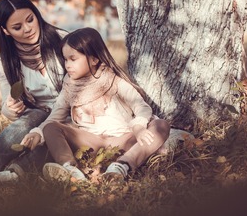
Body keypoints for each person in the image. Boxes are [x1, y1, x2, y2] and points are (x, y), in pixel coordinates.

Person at [21, 27, 170, 182]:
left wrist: (138, 128)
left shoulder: (114, 81)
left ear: (94, 59)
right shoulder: (69, 87)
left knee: (161, 125)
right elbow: (54, 117)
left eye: (73, 59)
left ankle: (123, 165)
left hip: (122, 141)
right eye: (65, 59)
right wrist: (37, 132)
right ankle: (70, 169)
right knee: (50, 127)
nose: (67, 65)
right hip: (90, 144)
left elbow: (141, 106)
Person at [0, 0, 67, 190]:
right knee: (28, 120)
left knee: (52, 137)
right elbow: (6, 108)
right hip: (38, 113)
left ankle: (10, 175)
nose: (27, 29)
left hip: (71, 113)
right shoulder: (5, 62)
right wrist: (11, 108)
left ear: (36, 15)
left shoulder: (63, 41)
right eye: (17, 27)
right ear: (6, 30)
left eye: (30, 20)